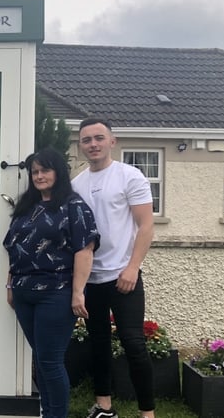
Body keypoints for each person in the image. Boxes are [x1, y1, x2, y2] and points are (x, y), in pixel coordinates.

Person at [3, 148, 100, 418]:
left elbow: (84, 250)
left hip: (55, 295)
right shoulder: (26, 207)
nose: (39, 176)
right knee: (41, 359)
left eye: (45, 170)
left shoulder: (74, 206)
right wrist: (11, 286)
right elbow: (14, 247)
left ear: (58, 172)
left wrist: (78, 293)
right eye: (34, 171)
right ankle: (48, 412)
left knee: (50, 361)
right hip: (24, 293)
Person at [71, 117, 155, 418]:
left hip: (124, 277)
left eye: (98, 138)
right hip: (92, 279)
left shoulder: (129, 176)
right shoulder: (76, 184)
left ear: (112, 141)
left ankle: (148, 413)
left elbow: (146, 226)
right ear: (81, 146)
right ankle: (104, 406)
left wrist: (133, 268)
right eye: (86, 140)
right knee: (98, 344)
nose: (93, 144)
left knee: (134, 345)